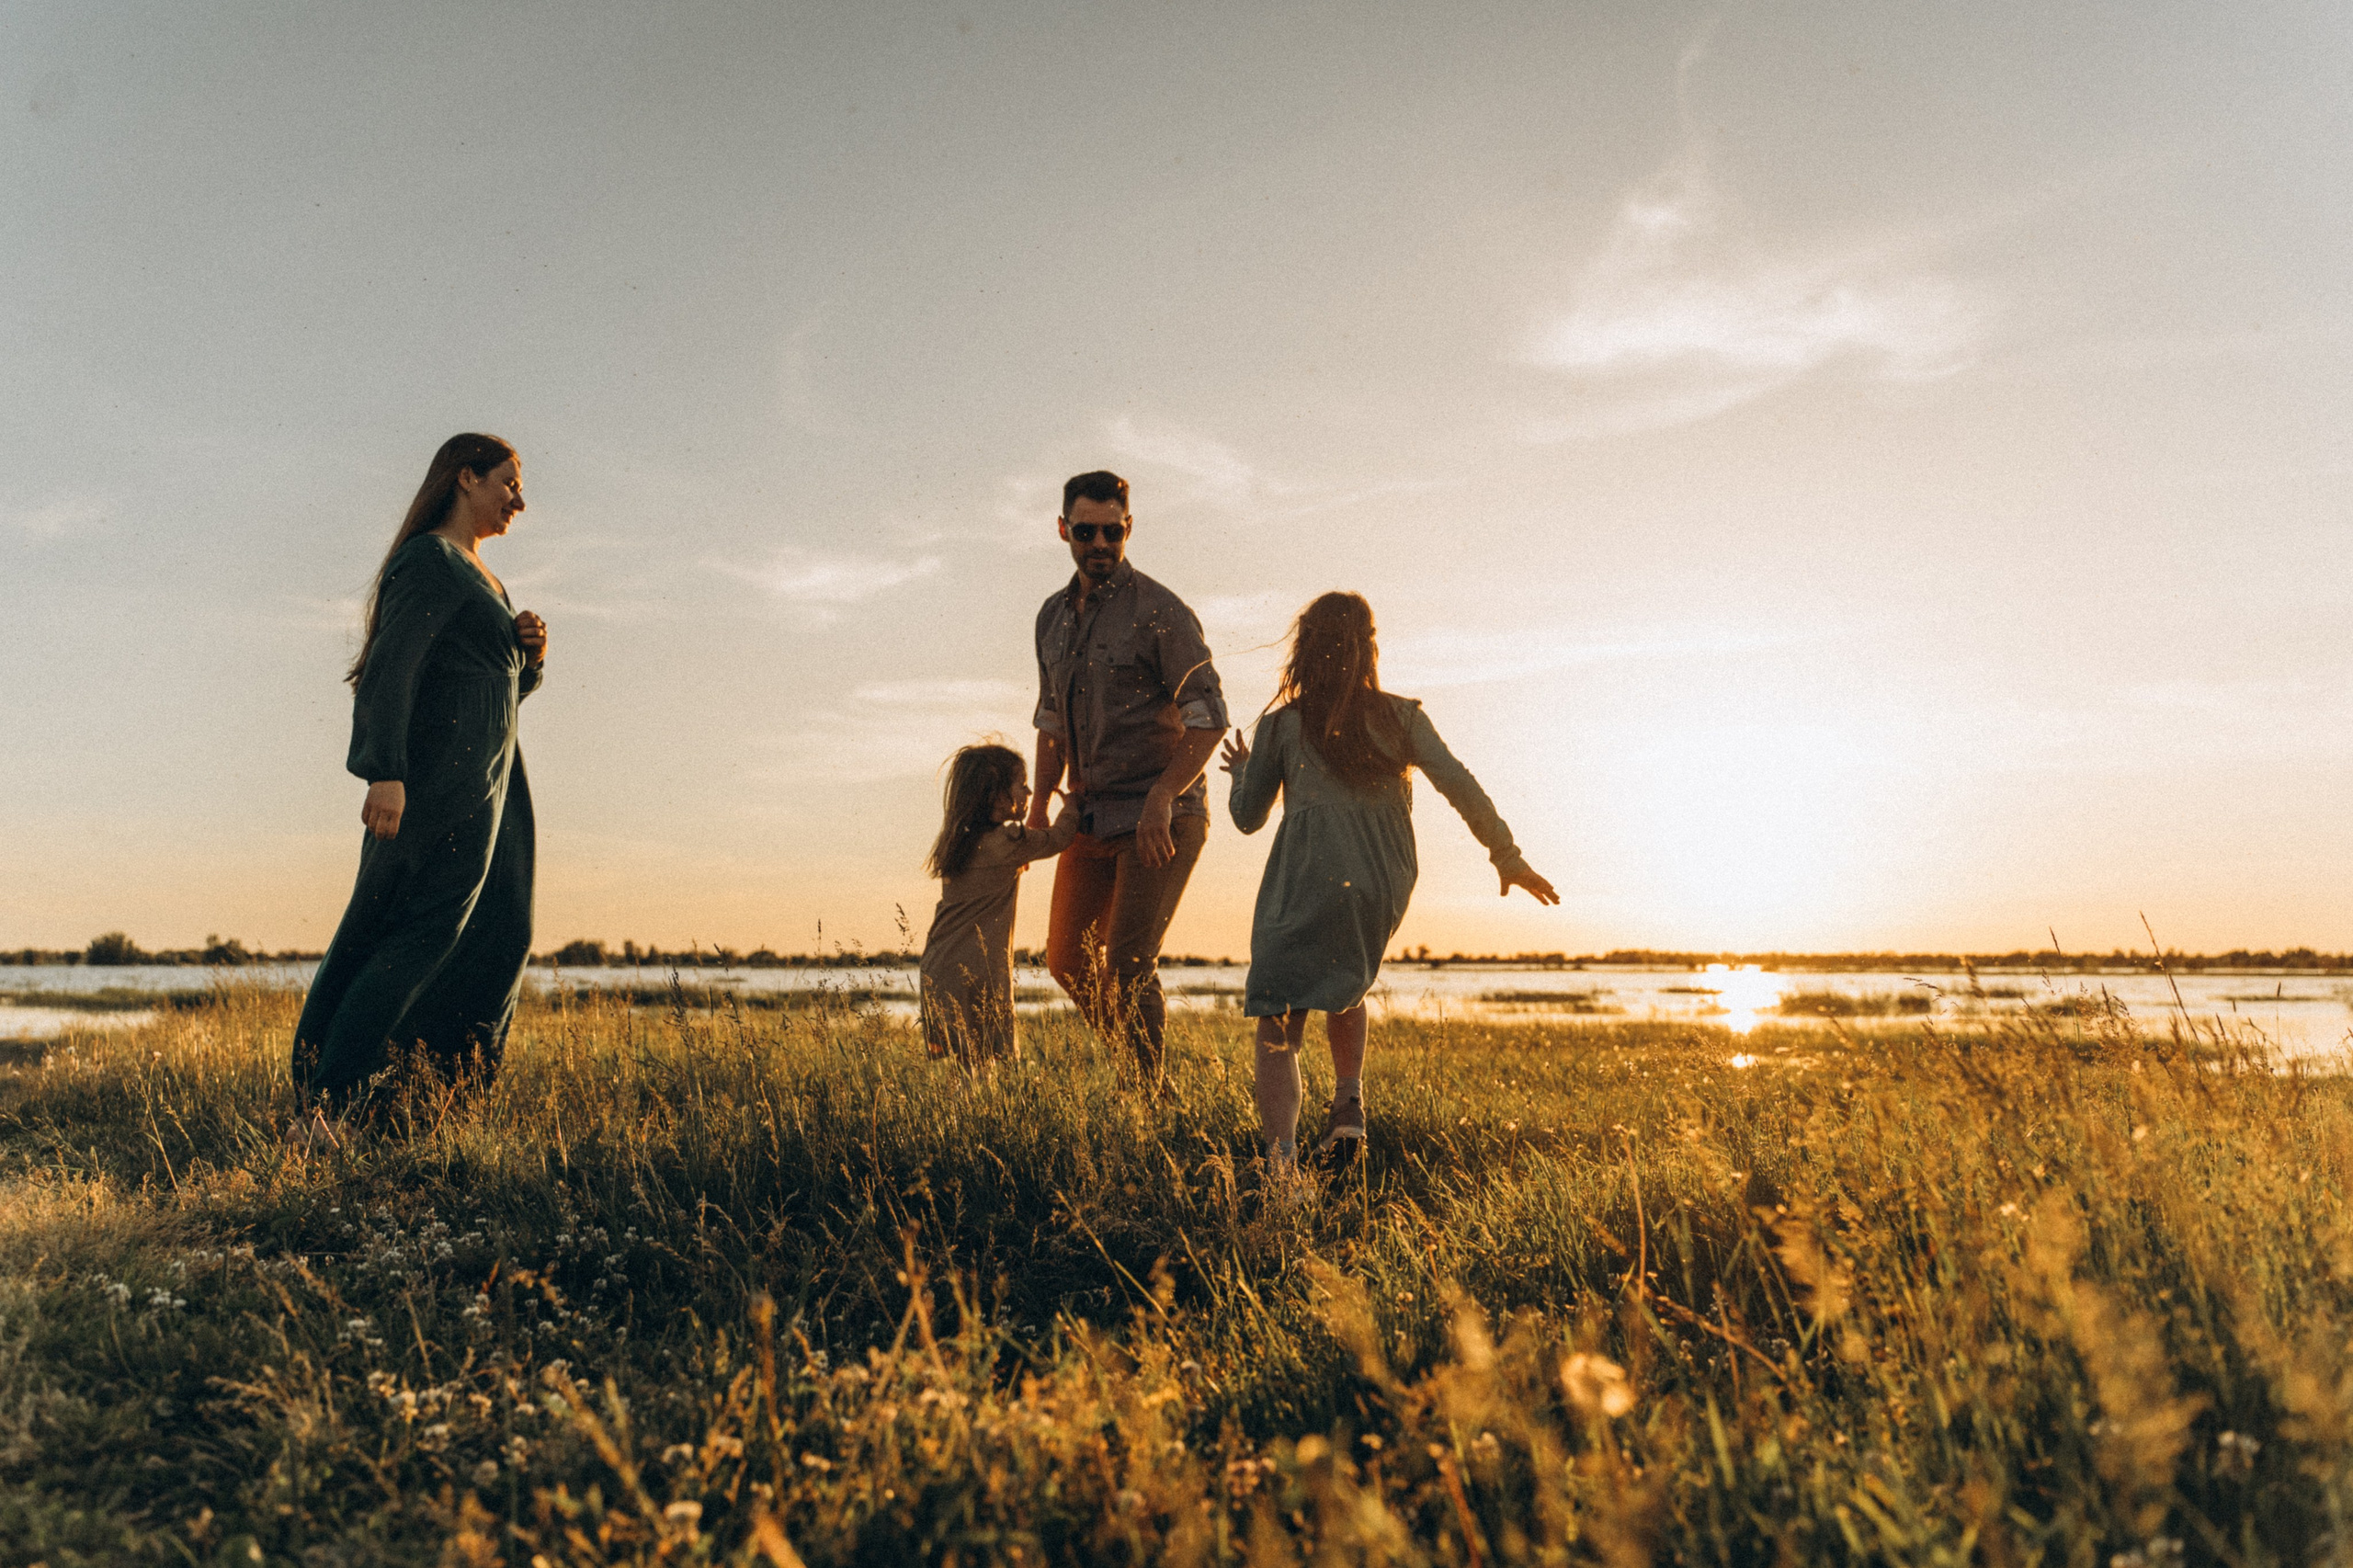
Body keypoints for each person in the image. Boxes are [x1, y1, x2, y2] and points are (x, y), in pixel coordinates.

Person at [1222, 591, 1557, 1170]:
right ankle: (1347, 1107)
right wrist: (1506, 854)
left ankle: (1281, 1167)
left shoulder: (1282, 727)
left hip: (1306, 877)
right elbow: (1459, 782)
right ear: (1369, 647)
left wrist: (1243, 773)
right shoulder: (1402, 716)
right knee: (1345, 981)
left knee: (1279, 1016)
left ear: (1304, 650)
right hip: (1382, 879)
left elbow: (1248, 819)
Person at [290, 433, 546, 1142]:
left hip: (497, 786)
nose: (519, 500)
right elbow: (390, 669)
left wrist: (528, 660)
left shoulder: (485, 579)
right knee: (416, 936)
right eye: (508, 482)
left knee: (499, 935)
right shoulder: (430, 561)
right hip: (440, 783)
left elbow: (489, 692)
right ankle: (325, 1109)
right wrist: (387, 771)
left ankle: (424, 1105)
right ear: (465, 478)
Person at [1029, 470, 1227, 1087]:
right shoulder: (1050, 619)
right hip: (1088, 816)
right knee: (1065, 962)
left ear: (1128, 529)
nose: (1099, 544)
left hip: (1161, 815)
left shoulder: (1162, 613)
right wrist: (1037, 812)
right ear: (1064, 530)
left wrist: (1163, 797)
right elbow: (1050, 721)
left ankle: (1148, 1104)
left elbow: (1210, 718)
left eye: (1112, 532)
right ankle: (1144, 1072)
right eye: (1085, 531)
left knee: (1130, 962)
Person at [918, 744, 1080, 1065]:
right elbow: (1060, 838)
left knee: (962, 1063)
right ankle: (982, 1113)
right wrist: (1074, 804)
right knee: (985, 1059)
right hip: (980, 969)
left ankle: (965, 1113)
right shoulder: (1007, 842)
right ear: (996, 795)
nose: (1030, 791)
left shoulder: (957, 844)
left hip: (939, 966)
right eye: (1021, 784)